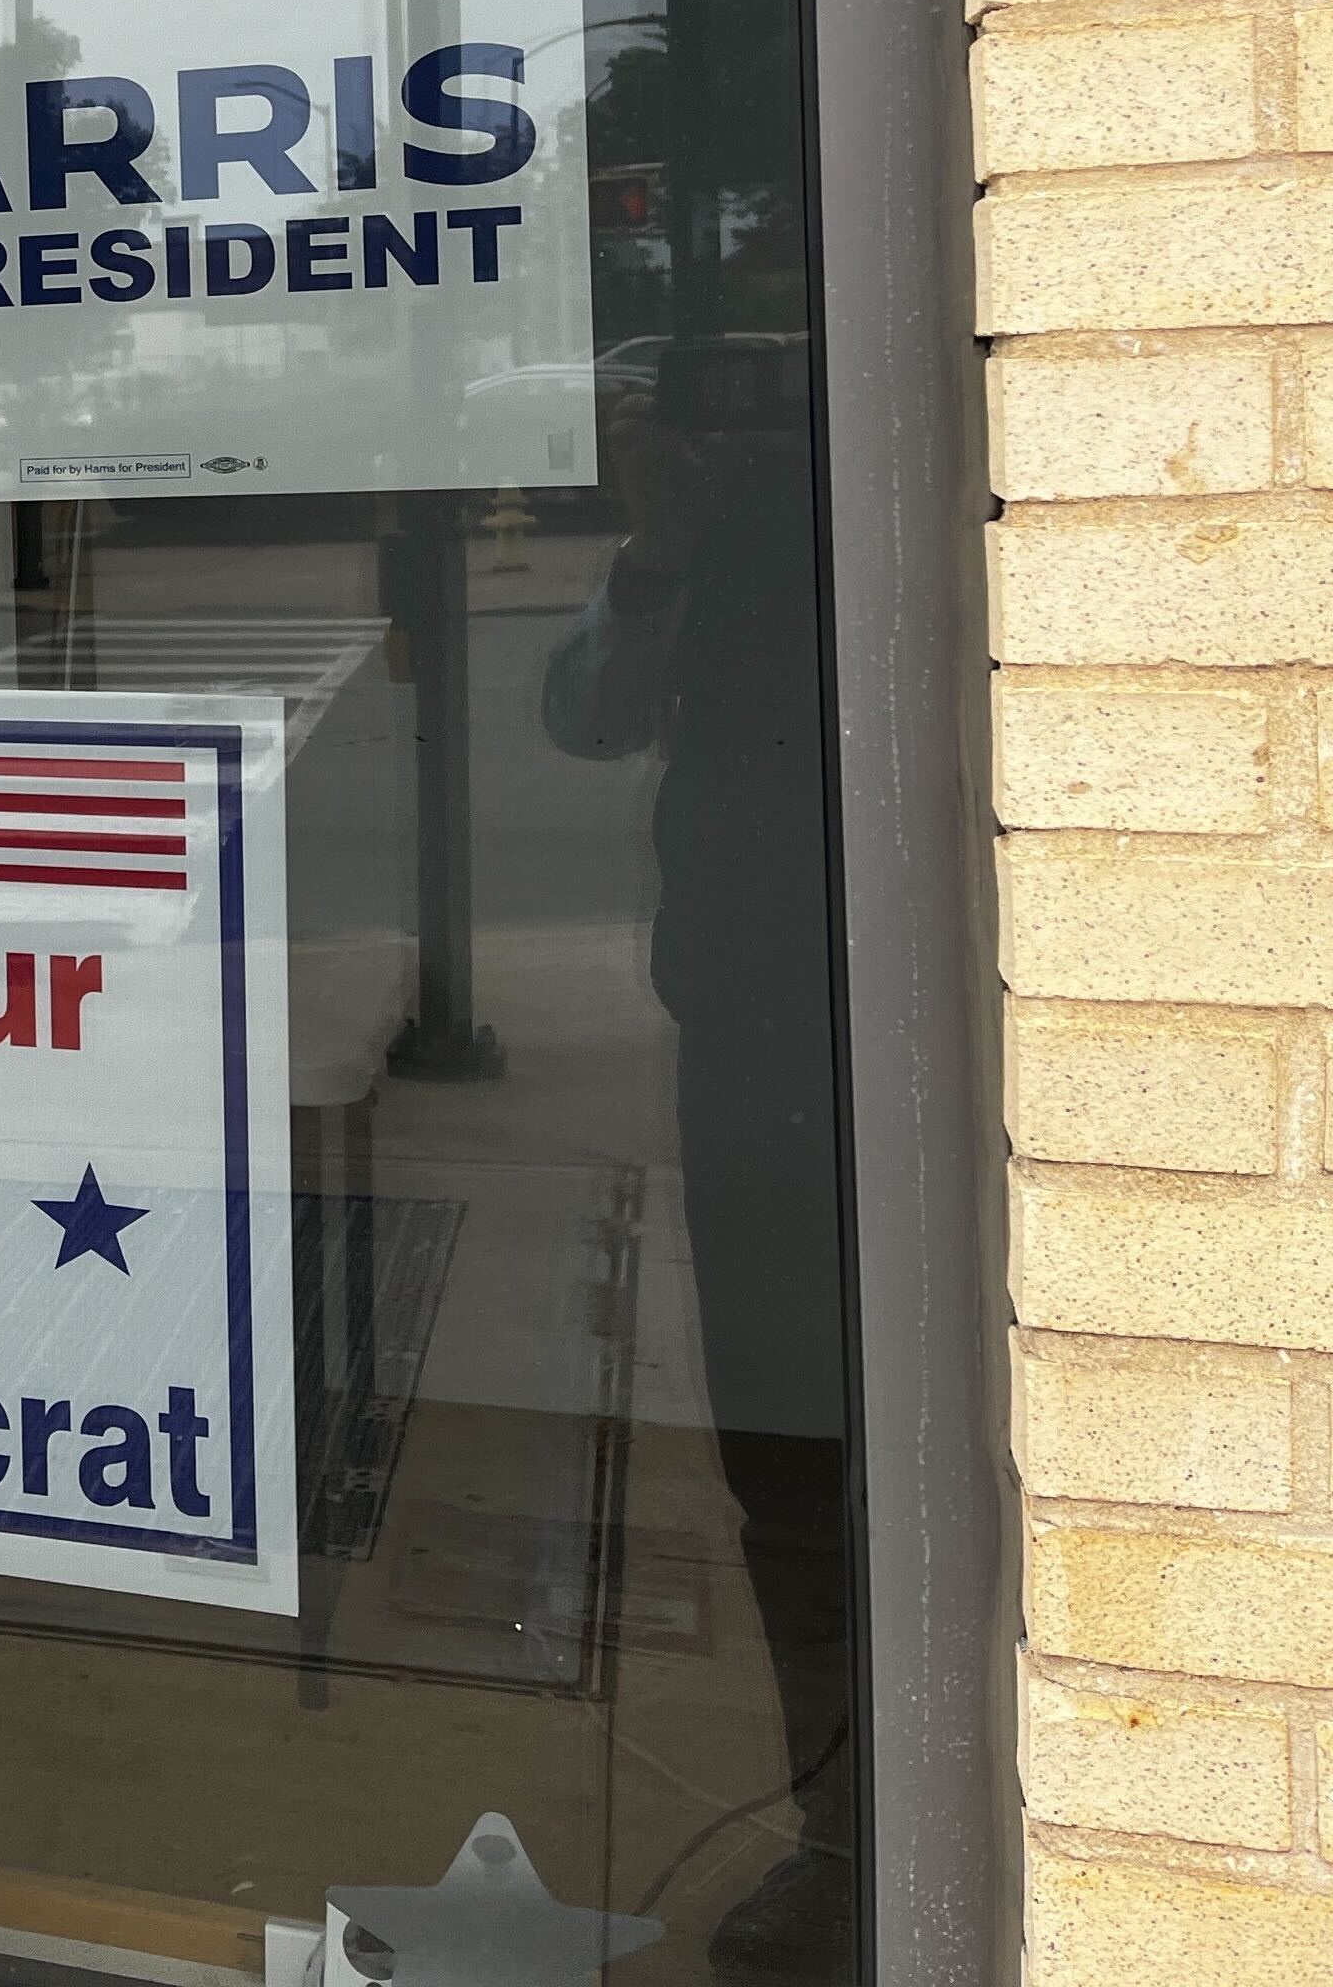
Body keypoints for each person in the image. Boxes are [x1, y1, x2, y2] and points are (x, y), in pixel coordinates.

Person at [544, 344, 852, 1982]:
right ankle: (847, 1835)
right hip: (745, 1036)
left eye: (763, 405)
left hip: (917, 1023)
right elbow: (584, 714)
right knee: (785, 1465)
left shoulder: (910, 494)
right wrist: (661, 545)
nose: (744, 439)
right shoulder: (715, 551)